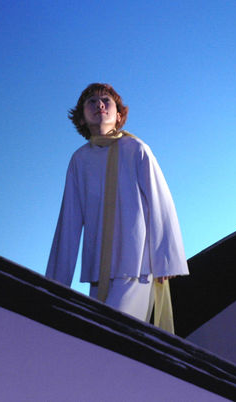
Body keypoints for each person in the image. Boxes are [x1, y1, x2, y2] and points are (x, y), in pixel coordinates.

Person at [46, 83, 188, 330]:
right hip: (98, 270)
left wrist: (166, 258)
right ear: (81, 118)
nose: (99, 104)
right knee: (97, 336)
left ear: (119, 115)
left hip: (136, 265)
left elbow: (161, 201)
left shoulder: (136, 149)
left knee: (110, 329)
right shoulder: (79, 160)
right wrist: (55, 284)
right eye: (91, 101)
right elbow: (69, 220)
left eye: (106, 100)